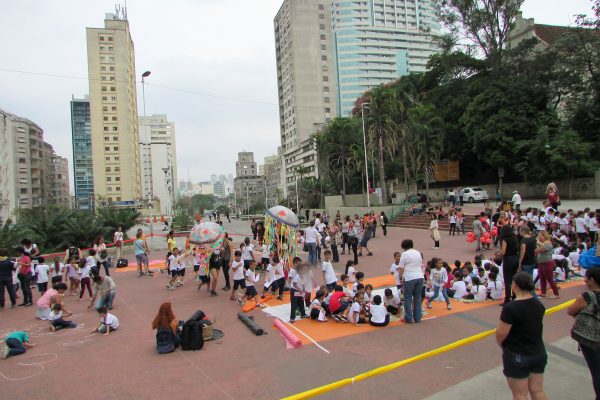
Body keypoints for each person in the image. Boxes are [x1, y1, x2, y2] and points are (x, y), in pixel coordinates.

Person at [495, 272, 548, 400]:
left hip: (517, 353)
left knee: (520, 394)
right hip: (538, 351)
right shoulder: (538, 304)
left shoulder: (510, 308)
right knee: (538, 391)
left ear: (515, 285)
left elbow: (501, 333)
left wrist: (503, 345)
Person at [567, 267, 600, 399]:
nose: (585, 280)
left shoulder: (586, 296)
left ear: (592, 280)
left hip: (590, 339)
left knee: (597, 371)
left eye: (586, 278)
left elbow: (570, 311)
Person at [399, 239, 424, 323]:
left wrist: (400, 277)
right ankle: (417, 317)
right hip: (420, 276)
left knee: (408, 298)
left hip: (409, 277)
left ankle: (408, 318)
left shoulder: (404, 254)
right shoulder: (418, 252)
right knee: (417, 298)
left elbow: (401, 267)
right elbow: (420, 264)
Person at [536, 231, 559, 299]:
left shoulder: (548, 243)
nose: (539, 237)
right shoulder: (542, 243)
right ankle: (543, 292)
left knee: (550, 279)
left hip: (547, 263)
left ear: (544, 236)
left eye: (540, 236)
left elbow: (542, 249)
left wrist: (537, 242)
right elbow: (537, 250)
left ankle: (556, 294)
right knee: (542, 278)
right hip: (541, 262)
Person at [500, 225, 519, 306]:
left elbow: (503, 252)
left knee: (507, 280)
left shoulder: (505, 239)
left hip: (508, 259)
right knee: (514, 279)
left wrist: (500, 254)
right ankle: (515, 296)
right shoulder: (514, 238)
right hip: (515, 258)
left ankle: (507, 299)